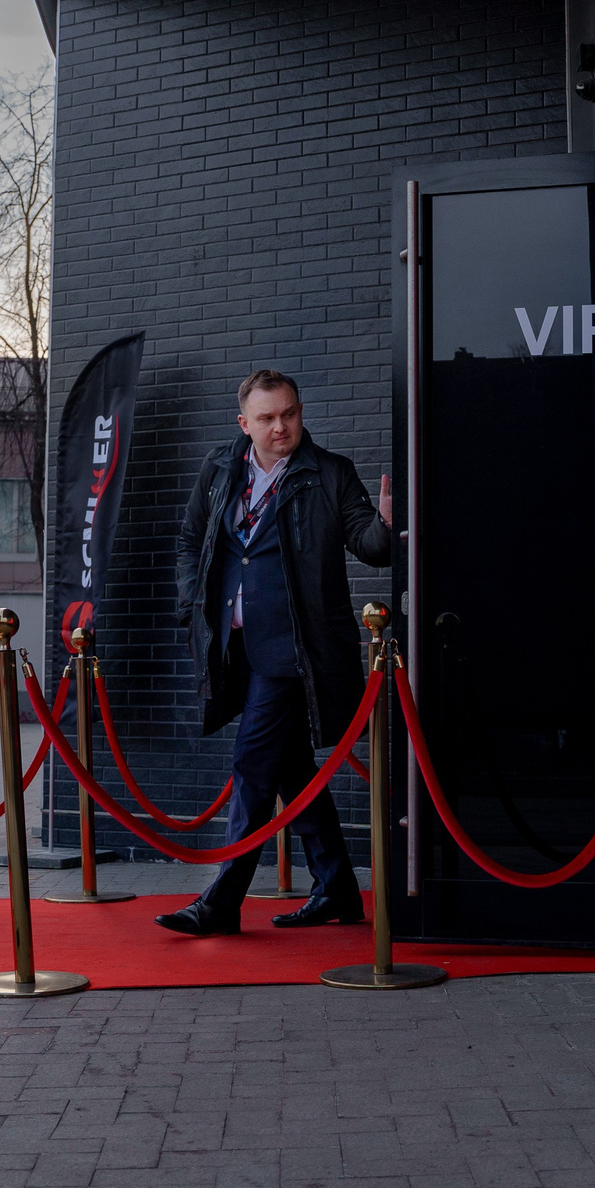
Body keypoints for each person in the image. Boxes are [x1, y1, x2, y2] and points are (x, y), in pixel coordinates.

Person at [158, 369, 393, 935]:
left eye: (289, 413)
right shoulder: (220, 468)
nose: (281, 426)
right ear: (244, 423)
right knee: (290, 767)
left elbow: (370, 545)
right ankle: (336, 886)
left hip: (294, 651)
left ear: (300, 412)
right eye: (267, 418)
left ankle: (222, 901)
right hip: (234, 645)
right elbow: (191, 540)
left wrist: (387, 524)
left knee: (252, 765)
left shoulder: (329, 473)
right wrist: (193, 605)